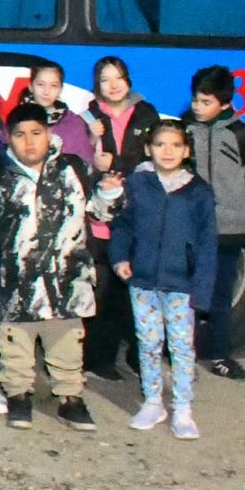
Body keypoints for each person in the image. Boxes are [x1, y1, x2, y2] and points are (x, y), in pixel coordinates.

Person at [0, 102, 122, 432]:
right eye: (20, 135)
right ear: (8, 138)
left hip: (66, 277)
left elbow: (100, 213)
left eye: (36, 133)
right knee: (15, 340)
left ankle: (70, 398)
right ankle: (18, 394)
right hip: (15, 280)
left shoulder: (72, 168)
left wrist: (109, 194)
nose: (29, 142)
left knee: (66, 339)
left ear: (49, 134)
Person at [113, 119, 219, 440]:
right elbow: (123, 224)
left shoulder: (199, 193)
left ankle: (183, 408)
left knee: (181, 346)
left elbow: (207, 244)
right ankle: (152, 401)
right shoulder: (138, 183)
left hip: (181, 285)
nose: (168, 151)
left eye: (175, 145)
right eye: (160, 144)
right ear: (149, 149)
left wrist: (202, 290)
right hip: (143, 280)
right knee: (147, 342)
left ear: (187, 151)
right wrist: (119, 257)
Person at [184, 64, 245, 382]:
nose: (198, 107)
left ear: (224, 104)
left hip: (230, 229)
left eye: (205, 102)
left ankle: (220, 355)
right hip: (191, 228)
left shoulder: (243, 134)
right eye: (196, 100)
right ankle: (182, 354)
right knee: (186, 295)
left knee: (221, 297)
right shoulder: (184, 130)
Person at [83, 56, 160, 378]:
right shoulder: (88, 116)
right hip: (102, 214)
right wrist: (90, 140)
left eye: (118, 78)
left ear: (128, 80)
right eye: (104, 79)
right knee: (104, 290)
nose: (112, 85)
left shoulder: (146, 113)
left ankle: (137, 356)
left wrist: (113, 161)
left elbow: (154, 153)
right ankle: (100, 359)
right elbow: (79, 157)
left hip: (137, 212)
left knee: (139, 288)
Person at [25, 62, 94, 165]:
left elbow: (85, 163)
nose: (46, 91)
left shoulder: (73, 122)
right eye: (40, 84)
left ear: (61, 89)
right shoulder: (16, 119)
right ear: (30, 86)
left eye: (54, 85)